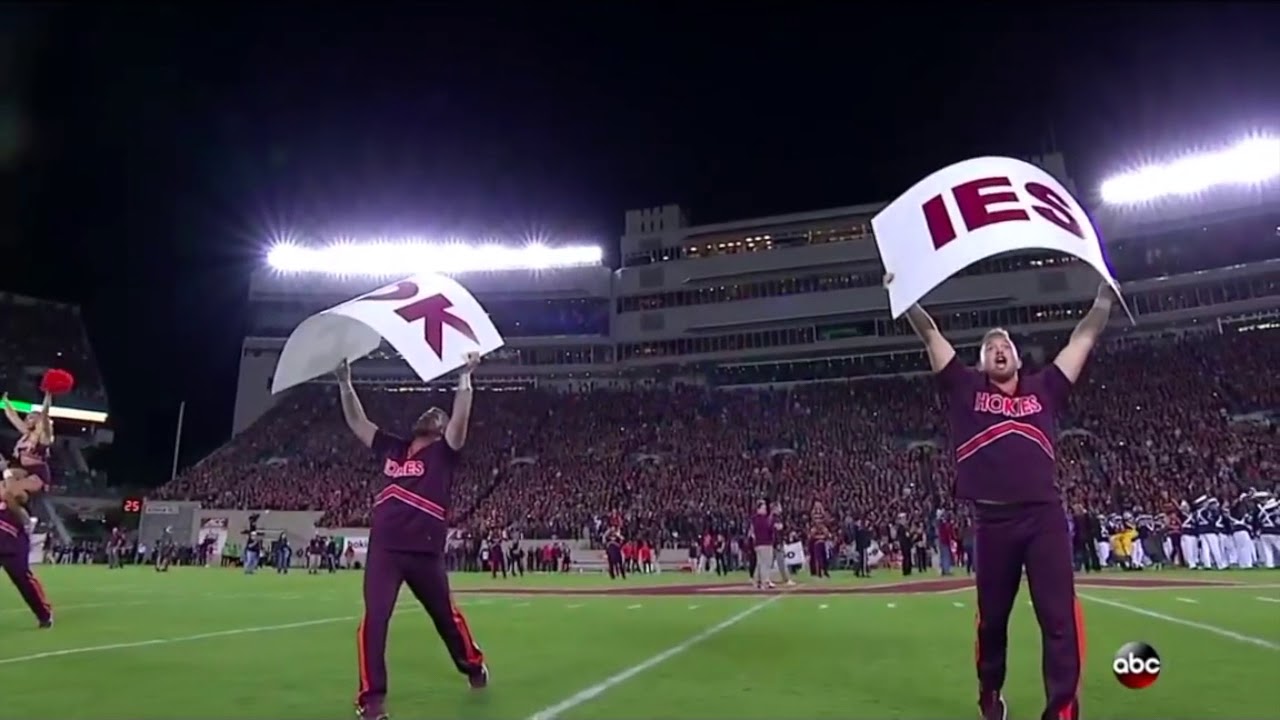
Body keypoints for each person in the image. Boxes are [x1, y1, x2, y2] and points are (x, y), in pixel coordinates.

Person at [891, 272, 1115, 720]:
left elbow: (1082, 339)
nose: (999, 348)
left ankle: (1063, 709)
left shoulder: (1045, 388)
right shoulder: (964, 388)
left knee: (1058, 618)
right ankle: (989, 695)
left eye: (1007, 345)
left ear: (1017, 357)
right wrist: (905, 294)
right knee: (992, 621)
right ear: (979, 361)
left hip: (1044, 517)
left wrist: (1104, 301)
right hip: (992, 524)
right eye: (991, 346)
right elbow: (930, 332)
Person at [339, 353, 487, 720]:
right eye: (431, 412)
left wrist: (465, 378)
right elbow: (358, 421)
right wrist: (345, 382)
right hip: (385, 548)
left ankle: (472, 664)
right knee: (375, 618)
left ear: (440, 427)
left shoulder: (444, 451)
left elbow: (460, 424)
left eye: (439, 414)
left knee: (445, 619)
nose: (432, 413)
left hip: (424, 551)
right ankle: (372, 701)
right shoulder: (392, 447)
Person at [0, 475, 53, 628]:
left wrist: (8, 474)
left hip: (12, 546)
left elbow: (9, 494)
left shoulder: (20, 510)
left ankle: (44, 615)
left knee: (23, 581)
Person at [2, 391, 55, 491]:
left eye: (31, 417)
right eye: (26, 417)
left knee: (12, 489)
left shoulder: (44, 437)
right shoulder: (26, 433)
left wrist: (48, 396)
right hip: (24, 470)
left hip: (38, 474)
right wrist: (6, 401)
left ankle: (11, 500)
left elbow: (44, 414)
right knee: (7, 474)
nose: (26, 419)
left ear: (38, 421)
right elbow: (13, 416)